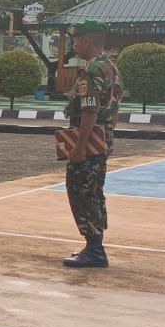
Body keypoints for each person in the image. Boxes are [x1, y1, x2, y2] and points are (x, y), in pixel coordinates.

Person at [62, 20, 123, 268]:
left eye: (76, 40)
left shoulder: (92, 70)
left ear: (87, 41)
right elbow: (114, 109)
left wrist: (79, 148)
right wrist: (105, 136)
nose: (74, 45)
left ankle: (94, 250)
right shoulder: (110, 67)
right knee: (94, 191)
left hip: (88, 140)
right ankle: (94, 247)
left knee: (81, 190)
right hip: (102, 136)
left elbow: (90, 112)